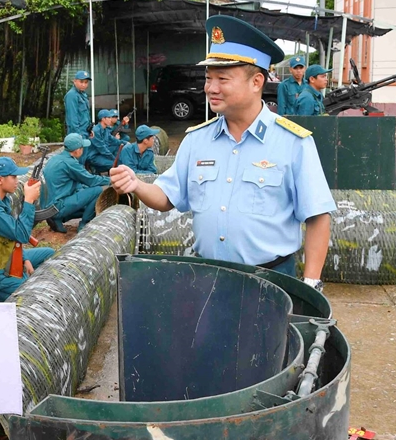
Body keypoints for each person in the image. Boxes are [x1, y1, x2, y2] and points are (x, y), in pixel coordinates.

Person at [110, 15, 336, 292]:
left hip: (271, 282)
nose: (210, 88)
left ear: (256, 81)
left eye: (222, 79)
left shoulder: (292, 142)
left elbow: (317, 216)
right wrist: (136, 185)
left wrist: (311, 283)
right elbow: (169, 197)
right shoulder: (197, 139)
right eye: (208, 78)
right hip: (207, 279)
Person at [0, 157, 55, 301]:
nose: (17, 180)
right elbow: (21, 235)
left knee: (50, 253)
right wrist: (29, 201)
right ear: (0, 180)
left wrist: (24, 259)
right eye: (13, 176)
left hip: (8, 257)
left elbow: (11, 237)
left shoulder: (3, 200)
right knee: (32, 295)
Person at [42, 133, 111, 233]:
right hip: (59, 206)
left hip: (49, 207)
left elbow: (77, 183)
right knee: (98, 190)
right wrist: (109, 180)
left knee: (88, 207)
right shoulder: (70, 163)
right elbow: (91, 180)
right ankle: (84, 224)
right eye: (82, 147)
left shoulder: (55, 158)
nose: (83, 150)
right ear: (77, 150)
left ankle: (57, 219)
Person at [88, 109, 127, 174]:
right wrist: (114, 159)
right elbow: (102, 148)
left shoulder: (105, 129)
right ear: (103, 119)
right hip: (95, 156)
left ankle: (108, 167)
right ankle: (96, 168)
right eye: (109, 117)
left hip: (102, 153)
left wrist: (125, 143)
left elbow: (113, 140)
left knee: (118, 147)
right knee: (115, 164)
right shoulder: (95, 131)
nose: (110, 119)